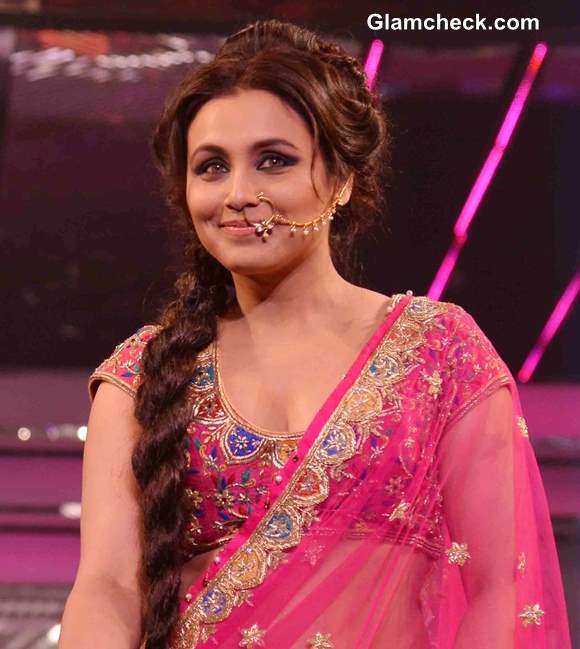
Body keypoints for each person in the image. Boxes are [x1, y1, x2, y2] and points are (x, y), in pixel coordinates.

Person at [58, 18, 572, 649]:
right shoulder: (144, 374)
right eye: (211, 167)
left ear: (342, 179)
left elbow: (501, 587)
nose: (238, 193)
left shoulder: (440, 352)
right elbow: (108, 588)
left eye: (274, 161)